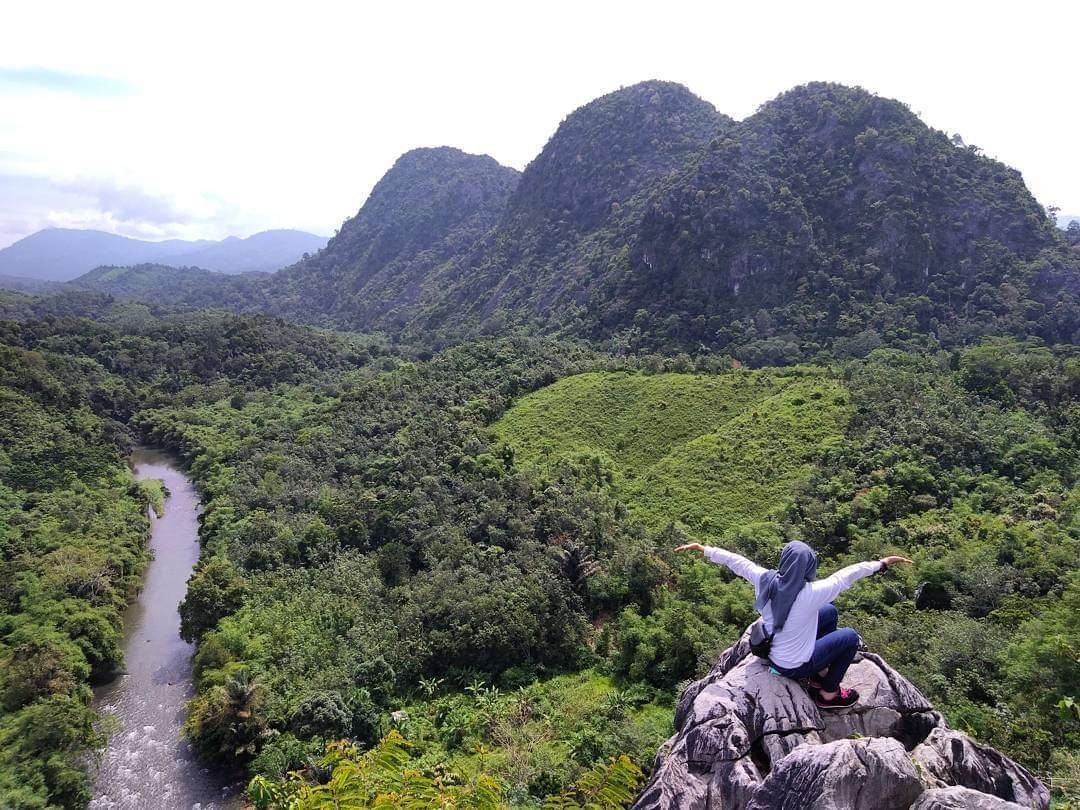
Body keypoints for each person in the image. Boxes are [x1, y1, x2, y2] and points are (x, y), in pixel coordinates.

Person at [675, 540, 912, 708]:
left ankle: (820, 672)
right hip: (794, 665)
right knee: (849, 637)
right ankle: (828, 694)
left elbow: (737, 562)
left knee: (828, 612)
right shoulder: (812, 593)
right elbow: (847, 574)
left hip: (770, 652)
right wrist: (882, 563)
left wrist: (704, 549)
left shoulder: (765, 579)